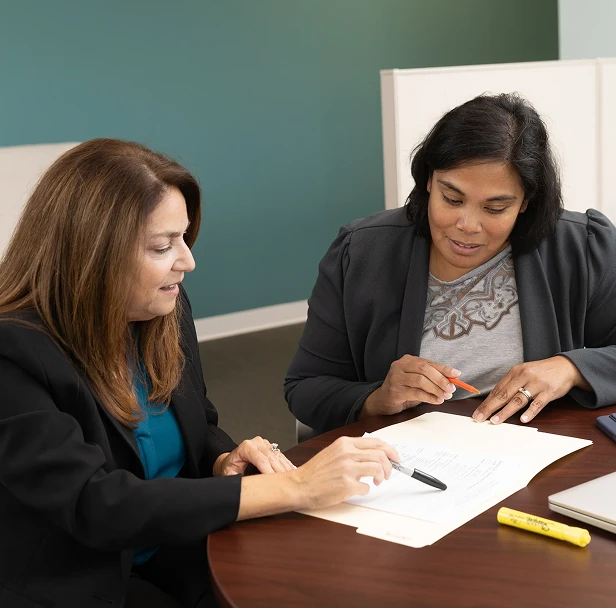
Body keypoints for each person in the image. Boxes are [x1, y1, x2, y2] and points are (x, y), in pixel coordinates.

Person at [0, 139, 400, 608]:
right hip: (81, 574)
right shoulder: (14, 352)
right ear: (91, 253)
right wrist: (293, 486)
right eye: (162, 246)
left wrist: (222, 459)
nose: (188, 262)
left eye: (184, 238)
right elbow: (95, 505)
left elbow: (199, 423)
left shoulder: (164, 310)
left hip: (175, 540)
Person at [285, 93, 616, 436]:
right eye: (452, 199)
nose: (467, 226)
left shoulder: (582, 246)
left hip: (543, 451)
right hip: (405, 456)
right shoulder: (362, 253)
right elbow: (306, 387)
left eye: (495, 208)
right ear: (429, 180)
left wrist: (569, 369)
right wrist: (379, 398)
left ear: (525, 201)